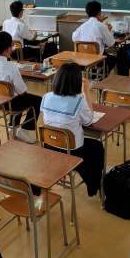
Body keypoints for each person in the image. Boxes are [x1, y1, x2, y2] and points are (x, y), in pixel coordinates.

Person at [41, 62, 103, 197]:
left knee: (87, 147)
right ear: (77, 82)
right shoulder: (78, 101)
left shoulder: (46, 97)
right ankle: (93, 184)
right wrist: (86, 91)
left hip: (50, 147)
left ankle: (84, 173)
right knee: (97, 147)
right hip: (72, 150)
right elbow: (88, 121)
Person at [0, 31, 41, 144]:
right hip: (10, 104)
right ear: (8, 49)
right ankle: (24, 130)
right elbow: (22, 91)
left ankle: (12, 126)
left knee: (15, 94)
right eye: (12, 46)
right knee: (37, 99)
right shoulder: (11, 67)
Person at [72, 0, 116, 74]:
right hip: (97, 60)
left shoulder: (82, 26)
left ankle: (92, 74)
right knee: (113, 59)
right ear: (99, 12)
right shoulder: (101, 26)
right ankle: (100, 77)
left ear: (87, 13)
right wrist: (109, 31)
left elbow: (74, 38)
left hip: (82, 59)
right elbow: (111, 43)